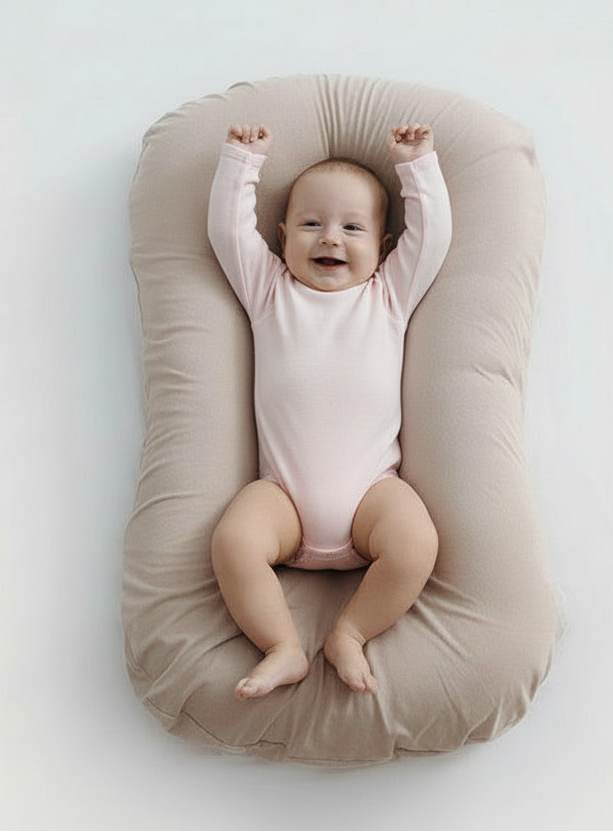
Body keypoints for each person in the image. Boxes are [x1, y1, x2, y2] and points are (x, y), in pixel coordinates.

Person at [207, 121, 452, 699]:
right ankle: (282, 646)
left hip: (373, 495)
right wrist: (242, 163)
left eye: (352, 227)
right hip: (283, 501)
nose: (330, 240)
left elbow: (432, 237)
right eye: (311, 225)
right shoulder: (269, 292)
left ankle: (351, 631)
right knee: (233, 541)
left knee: (417, 543)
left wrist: (417, 165)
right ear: (282, 236)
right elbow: (228, 233)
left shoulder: (388, 296)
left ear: (384, 247)